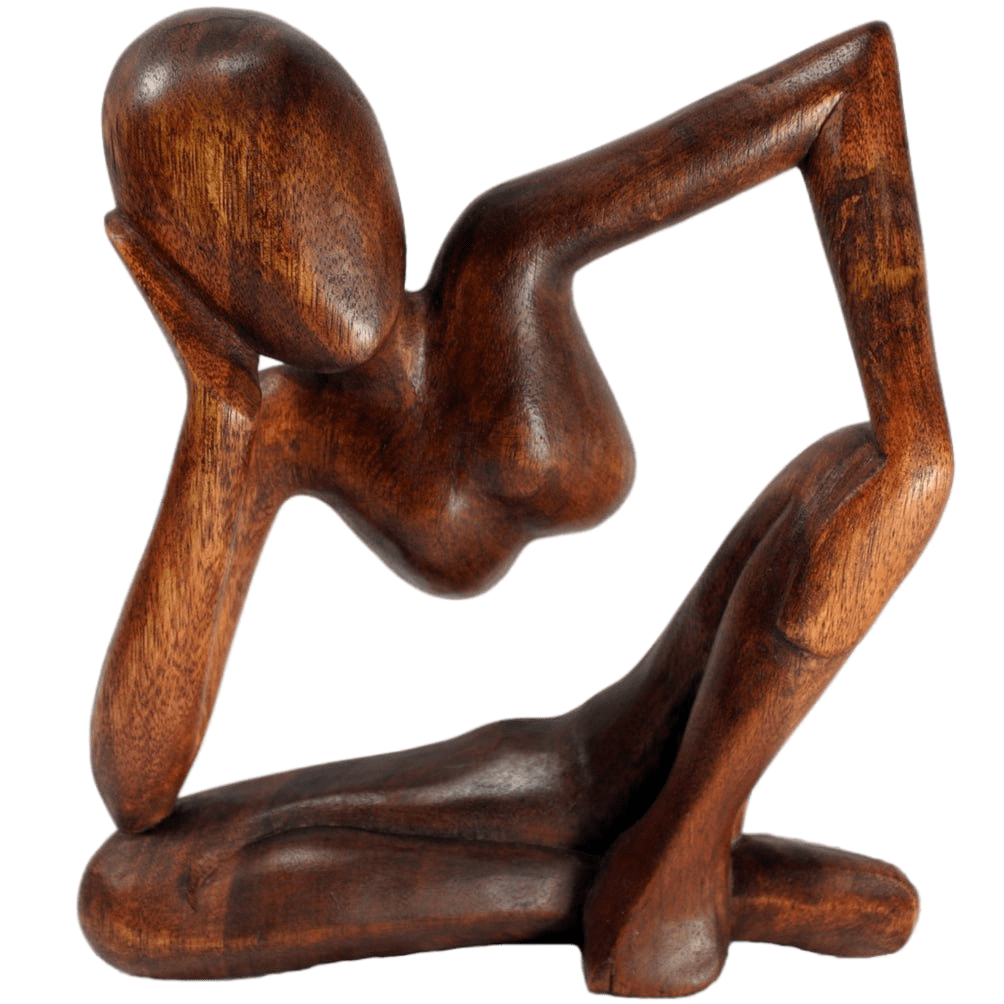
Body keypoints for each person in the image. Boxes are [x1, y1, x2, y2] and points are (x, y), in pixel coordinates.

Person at [79, 9, 953, 998]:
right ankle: (684, 880)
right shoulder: (279, 427)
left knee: (879, 474)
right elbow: (137, 790)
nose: (300, 249)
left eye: (313, 173)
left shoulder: (504, 255)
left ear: (374, 154)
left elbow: (845, 83)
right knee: (129, 892)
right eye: (235, 227)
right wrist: (217, 409)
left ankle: (691, 825)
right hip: (554, 764)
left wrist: (912, 408)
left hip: (703, 692)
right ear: (170, 270)